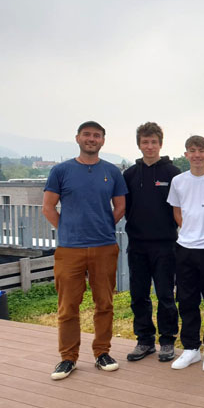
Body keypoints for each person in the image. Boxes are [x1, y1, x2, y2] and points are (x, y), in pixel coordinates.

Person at [43, 121, 127, 380]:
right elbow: (48, 208)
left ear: (103, 140)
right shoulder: (61, 170)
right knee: (68, 306)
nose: (91, 139)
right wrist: (68, 230)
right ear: (78, 138)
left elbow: (120, 207)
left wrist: (101, 226)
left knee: (105, 303)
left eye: (97, 136)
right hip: (70, 250)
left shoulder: (112, 172)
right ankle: (68, 358)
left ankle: (102, 352)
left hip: (104, 247)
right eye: (87, 135)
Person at [123, 122, 180, 362]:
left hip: (166, 244)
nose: (149, 146)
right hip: (137, 244)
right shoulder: (129, 175)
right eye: (145, 142)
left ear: (160, 144)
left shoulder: (173, 173)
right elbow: (124, 207)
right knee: (138, 295)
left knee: (166, 295)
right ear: (139, 144)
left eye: (153, 142)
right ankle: (144, 340)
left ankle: (167, 341)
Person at [167, 135, 204, 371]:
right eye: (192, 150)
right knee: (187, 300)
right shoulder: (178, 181)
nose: (197, 155)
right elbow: (177, 213)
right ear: (186, 154)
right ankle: (191, 349)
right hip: (185, 248)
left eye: (201, 151)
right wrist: (190, 231)